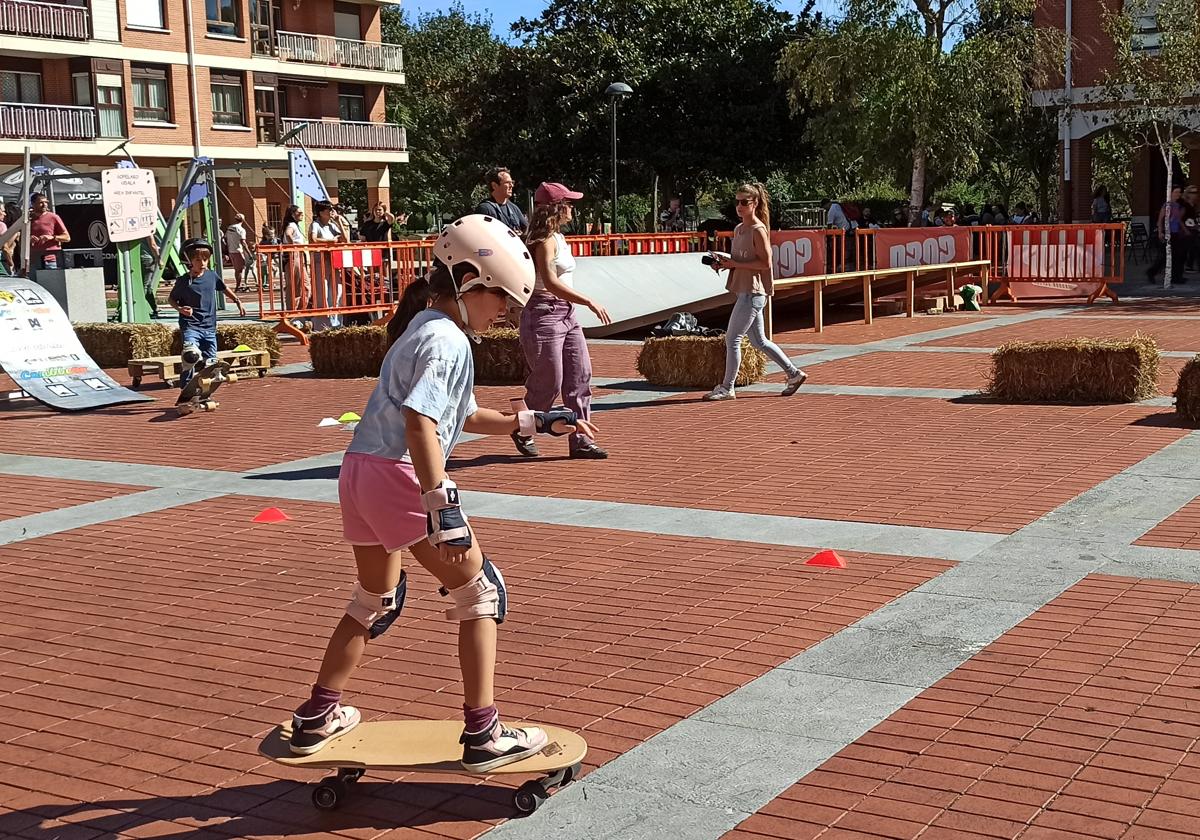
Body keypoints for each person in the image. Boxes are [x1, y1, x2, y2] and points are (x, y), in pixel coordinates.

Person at [287, 214, 596, 767]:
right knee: (480, 593)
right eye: (500, 298)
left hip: (359, 470)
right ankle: (483, 732)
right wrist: (440, 504)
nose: (503, 312)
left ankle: (317, 714)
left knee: (374, 599)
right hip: (398, 474)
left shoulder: (423, 328)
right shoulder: (448, 340)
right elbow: (421, 424)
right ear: (470, 282)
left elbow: (464, 415)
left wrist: (534, 421)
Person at [511, 183, 611, 460]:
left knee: (580, 377)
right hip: (543, 313)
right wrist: (588, 301)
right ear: (557, 207)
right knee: (549, 382)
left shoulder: (558, 237)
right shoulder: (542, 240)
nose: (572, 208)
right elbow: (551, 283)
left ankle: (581, 440)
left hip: (565, 313)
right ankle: (521, 427)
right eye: (568, 203)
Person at [703, 183, 808, 402]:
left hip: (754, 293)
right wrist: (724, 264)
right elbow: (740, 261)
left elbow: (765, 263)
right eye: (737, 202)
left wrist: (734, 264)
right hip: (745, 290)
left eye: (744, 202)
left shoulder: (758, 229)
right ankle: (793, 373)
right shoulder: (739, 229)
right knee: (760, 341)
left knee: (732, 339)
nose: (739, 206)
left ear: (755, 203)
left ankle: (727, 387)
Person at [168, 238, 245, 392]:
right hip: (191, 326)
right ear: (189, 260)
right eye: (198, 259)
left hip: (209, 327)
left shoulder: (211, 276)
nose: (202, 263)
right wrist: (180, 309)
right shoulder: (184, 281)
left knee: (211, 362)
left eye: (205, 259)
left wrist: (237, 300)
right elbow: (171, 299)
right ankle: (186, 388)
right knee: (190, 356)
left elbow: (223, 288)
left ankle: (204, 390)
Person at [311, 201, 349, 329]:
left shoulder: (332, 225)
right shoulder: (315, 224)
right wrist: (331, 241)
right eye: (328, 209)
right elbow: (313, 239)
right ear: (321, 212)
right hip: (320, 261)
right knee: (323, 292)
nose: (331, 211)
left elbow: (345, 240)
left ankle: (337, 322)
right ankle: (322, 325)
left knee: (337, 291)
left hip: (334, 261)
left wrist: (339, 221)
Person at [1147, 185, 1186, 286]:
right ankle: (1151, 272)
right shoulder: (1167, 205)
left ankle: (1176, 277)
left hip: (1176, 233)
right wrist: (1160, 232)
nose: (1178, 194)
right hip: (1167, 233)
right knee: (1164, 257)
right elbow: (1160, 220)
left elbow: (1178, 220)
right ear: (1171, 193)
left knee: (1177, 256)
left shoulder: (1177, 205)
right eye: (1176, 192)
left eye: (1179, 192)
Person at [475, 167, 528, 235]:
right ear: (494, 185)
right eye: (507, 183)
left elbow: (526, 230)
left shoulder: (513, 208)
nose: (511, 185)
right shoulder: (485, 209)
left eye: (512, 182)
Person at [279, 205, 311, 316]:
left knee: (305, 284)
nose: (301, 214)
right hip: (294, 255)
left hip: (298, 255)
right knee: (295, 285)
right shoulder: (291, 225)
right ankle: (293, 310)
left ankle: (301, 309)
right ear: (293, 214)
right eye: (299, 212)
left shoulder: (295, 225)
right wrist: (294, 246)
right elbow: (288, 234)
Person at [28, 192, 69, 272]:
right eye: (41, 203)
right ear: (33, 204)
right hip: (33, 261)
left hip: (51, 261)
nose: (44, 205)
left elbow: (67, 237)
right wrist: (28, 239)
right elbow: (20, 241)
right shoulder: (28, 219)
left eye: (46, 202)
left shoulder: (54, 217)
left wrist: (52, 237)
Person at [225, 214, 252, 292]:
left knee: (237, 269)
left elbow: (225, 238)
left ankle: (238, 285)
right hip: (238, 251)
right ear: (243, 220)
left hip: (231, 251)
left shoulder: (230, 227)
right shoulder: (241, 229)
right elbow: (243, 242)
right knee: (239, 270)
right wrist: (249, 253)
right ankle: (238, 286)